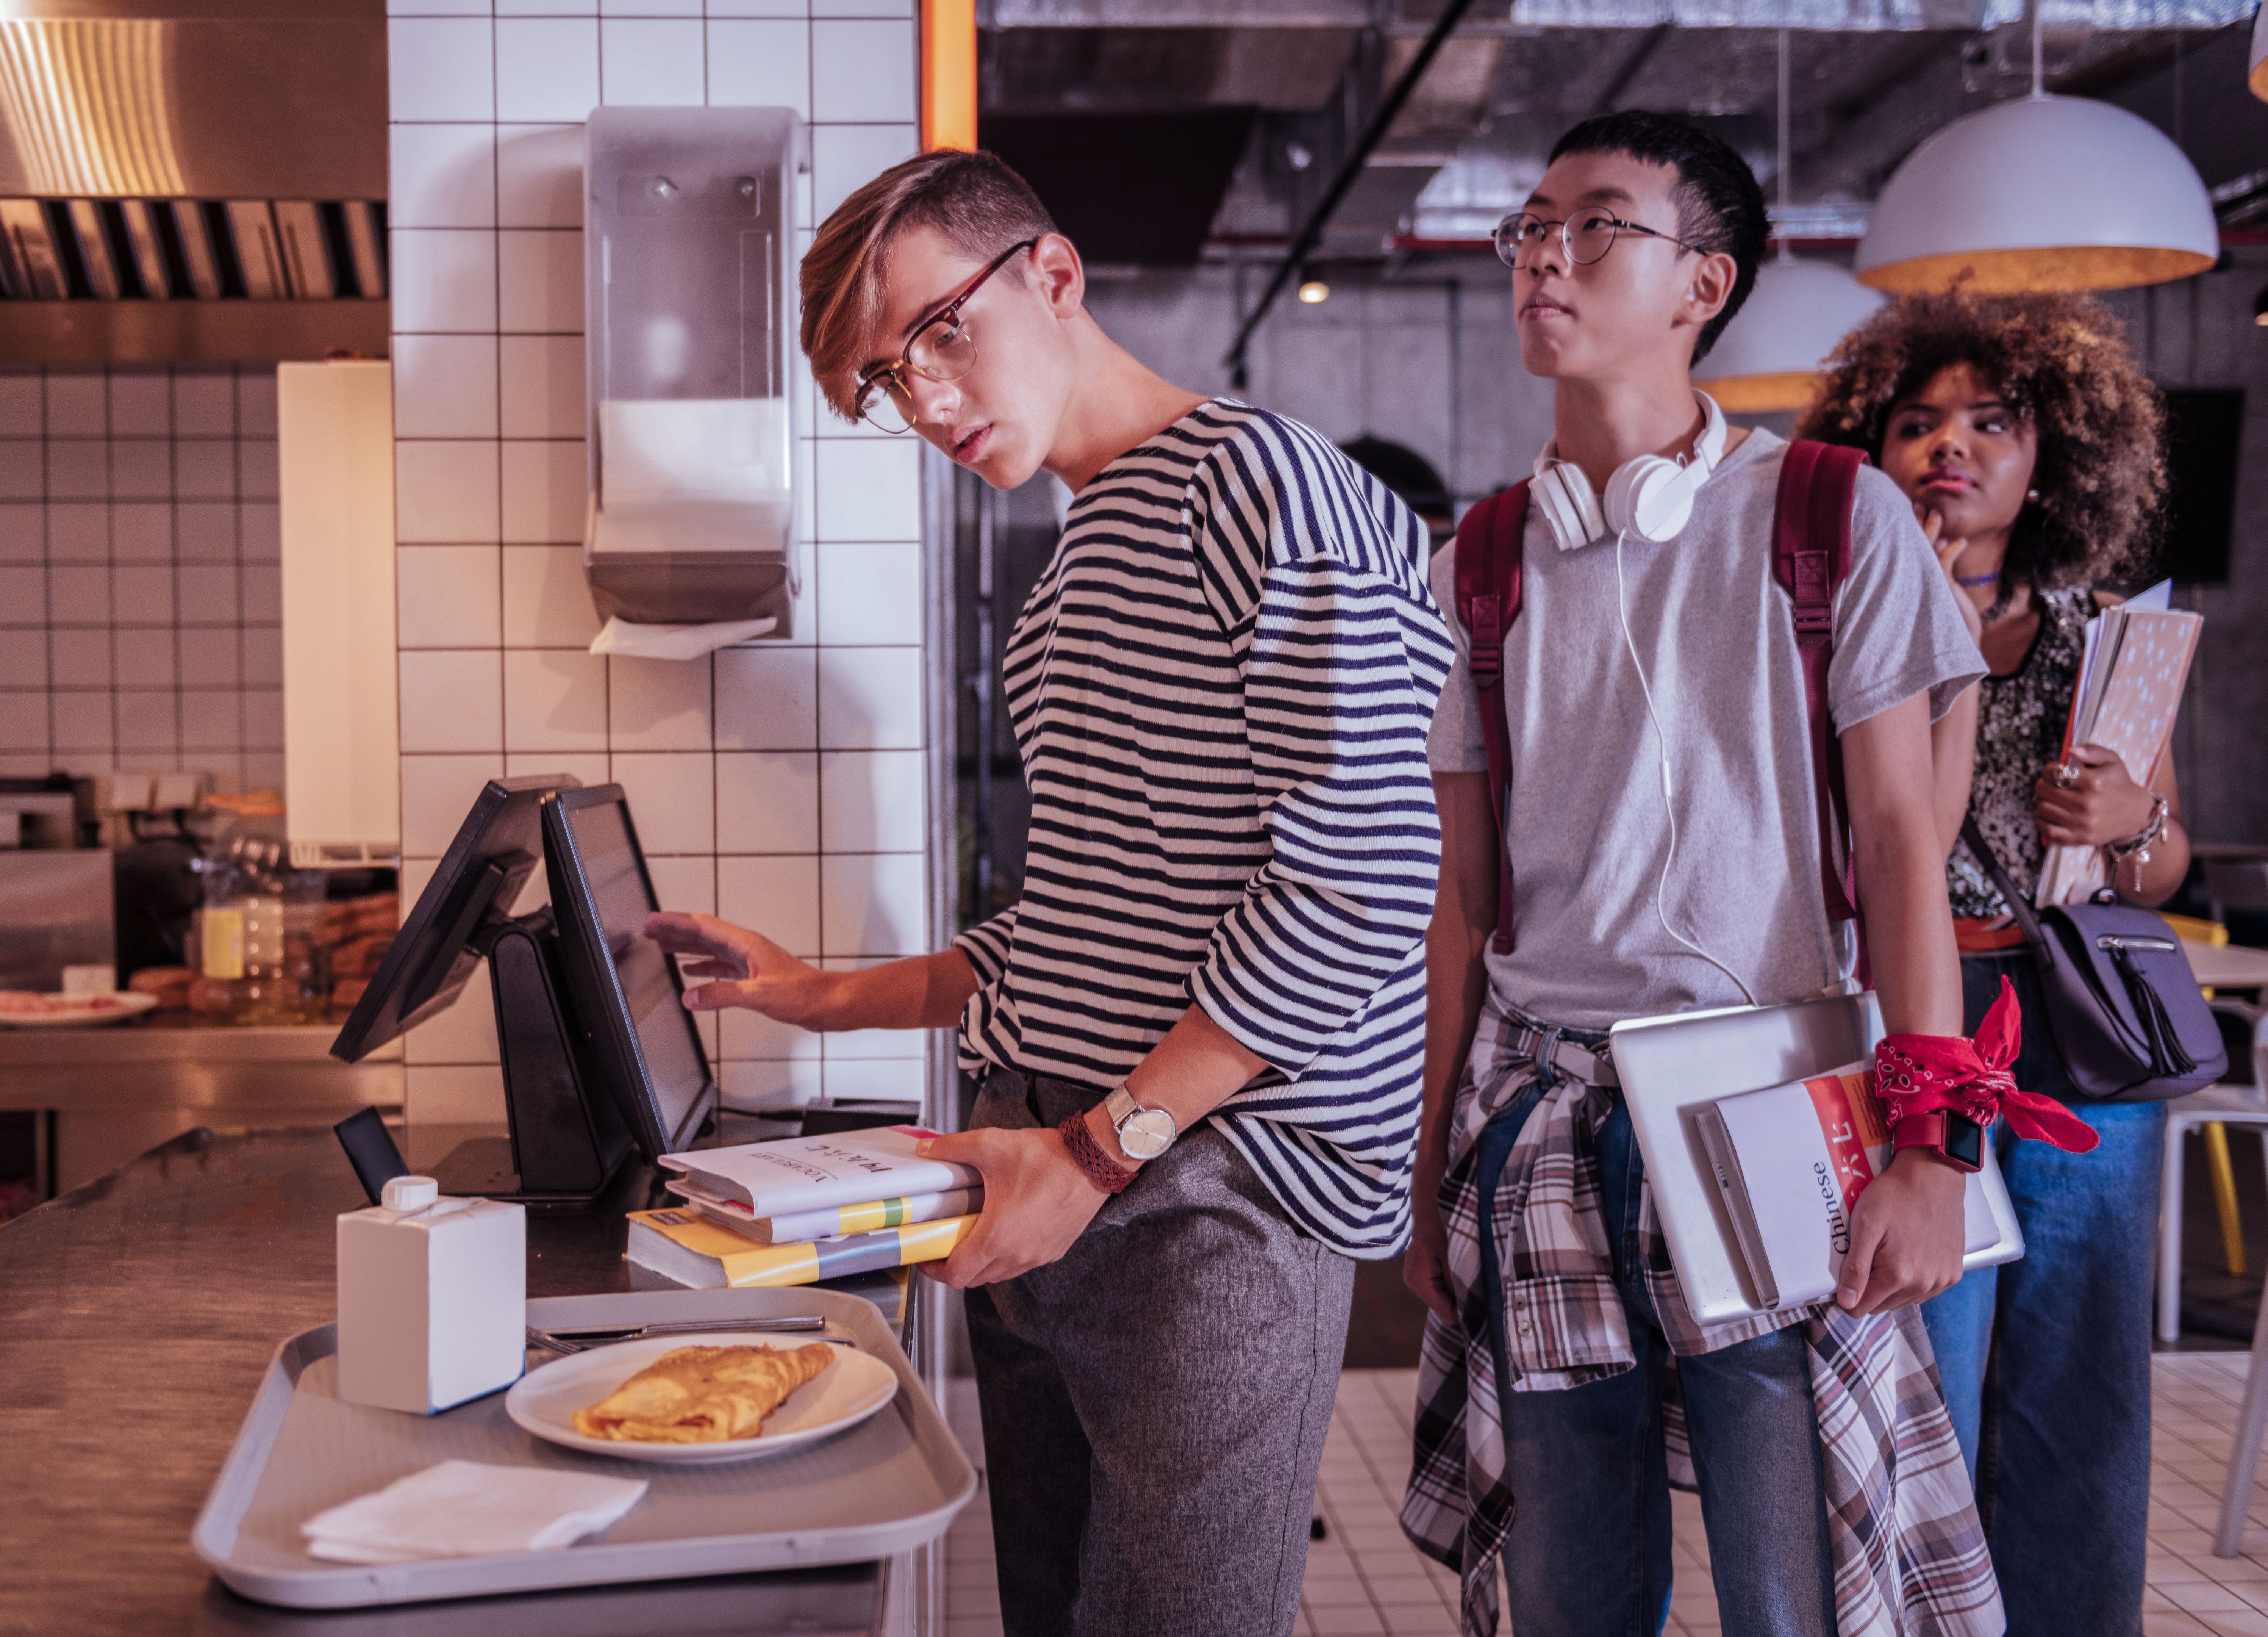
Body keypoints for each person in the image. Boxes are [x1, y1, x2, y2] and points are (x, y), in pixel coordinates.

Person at [640, 150, 1456, 1637]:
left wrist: (1097, 1151)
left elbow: (1366, 876)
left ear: (1055, 276)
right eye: (892, 380)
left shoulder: (1263, 486)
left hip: (1205, 1184)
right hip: (1045, 1162)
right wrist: (816, 995)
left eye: (942, 332)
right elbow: (1086, 918)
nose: (931, 401)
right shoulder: (1077, 562)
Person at [1396, 111, 2021, 1637]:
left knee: (1796, 1582)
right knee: (1570, 1597)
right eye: (1532, 226)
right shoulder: (1474, 561)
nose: (1547, 251)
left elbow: (1897, 851)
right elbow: (1462, 910)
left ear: (1704, 283)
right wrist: (1424, 1174)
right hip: (1539, 1124)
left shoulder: (1831, 516)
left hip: (1780, 1102)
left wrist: (1934, 1148)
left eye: (1598, 223)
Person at [1799, 287, 2180, 1637]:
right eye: (1917, 422)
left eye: (1989, 422)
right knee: (1917, 1346)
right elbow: (1882, 837)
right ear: (1869, 445)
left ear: (2054, 456)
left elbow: (2162, 864)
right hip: (1909, 1012)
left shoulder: (2105, 633)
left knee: (2081, 1362)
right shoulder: (1826, 622)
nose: (1949, 445)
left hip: (2075, 1027)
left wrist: (2139, 825)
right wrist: (1914, 612)